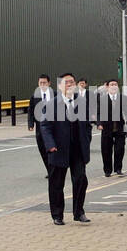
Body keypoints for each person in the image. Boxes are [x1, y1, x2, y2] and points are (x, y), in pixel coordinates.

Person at [39, 72, 93, 225]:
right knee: (56, 184)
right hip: (58, 149)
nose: (70, 84)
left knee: (81, 179)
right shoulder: (51, 104)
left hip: (77, 149)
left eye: (72, 82)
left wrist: (86, 140)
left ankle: (79, 212)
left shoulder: (81, 102)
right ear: (60, 86)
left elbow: (87, 124)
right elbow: (45, 126)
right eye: (67, 82)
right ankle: (57, 215)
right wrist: (50, 145)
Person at [96, 78, 127, 176]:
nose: (114, 86)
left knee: (120, 149)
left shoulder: (123, 98)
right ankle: (107, 170)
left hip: (119, 127)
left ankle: (118, 168)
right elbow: (98, 113)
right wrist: (99, 123)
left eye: (115, 84)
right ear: (107, 87)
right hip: (106, 127)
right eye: (112, 84)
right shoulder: (102, 99)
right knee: (106, 150)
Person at [26, 74, 54, 176]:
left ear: (49, 83)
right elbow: (31, 110)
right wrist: (30, 123)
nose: (42, 85)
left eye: (44, 83)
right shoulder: (35, 96)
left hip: (53, 127)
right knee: (42, 149)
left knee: (52, 148)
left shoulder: (55, 95)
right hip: (40, 127)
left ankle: (53, 169)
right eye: (40, 83)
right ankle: (49, 170)